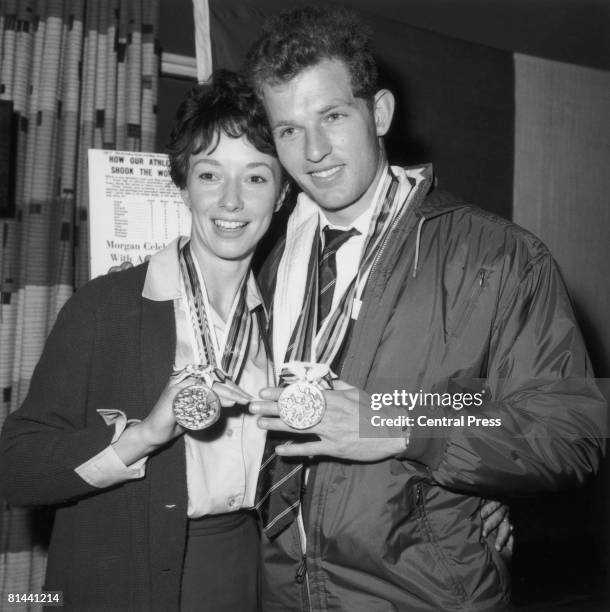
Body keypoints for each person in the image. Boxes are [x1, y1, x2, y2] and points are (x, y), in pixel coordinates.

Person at [246, 7, 607, 611]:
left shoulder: (499, 257)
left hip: (423, 595)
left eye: (332, 116)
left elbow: (568, 432)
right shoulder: (269, 257)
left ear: (379, 113)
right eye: (288, 129)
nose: (313, 151)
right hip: (286, 590)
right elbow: (473, 401)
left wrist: (395, 422)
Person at [0, 70, 285, 611]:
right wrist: (142, 437)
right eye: (209, 174)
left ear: (283, 190)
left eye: (255, 177)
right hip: (131, 578)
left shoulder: (288, 317)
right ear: (182, 183)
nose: (230, 201)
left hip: (250, 574)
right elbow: (17, 470)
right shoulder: (106, 306)